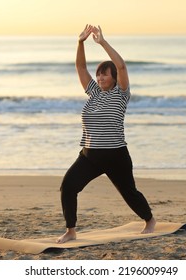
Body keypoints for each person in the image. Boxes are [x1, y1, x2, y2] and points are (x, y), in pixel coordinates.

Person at [57, 25, 156, 244]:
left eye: (104, 74)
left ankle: (149, 220)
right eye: (99, 74)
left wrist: (102, 42)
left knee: (129, 193)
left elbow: (121, 65)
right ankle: (71, 230)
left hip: (115, 155)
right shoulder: (93, 92)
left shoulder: (121, 94)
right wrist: (80, 42)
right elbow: (80, 67)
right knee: (68, 186)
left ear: (113, 78)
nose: (100, 77)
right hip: (89, 155)